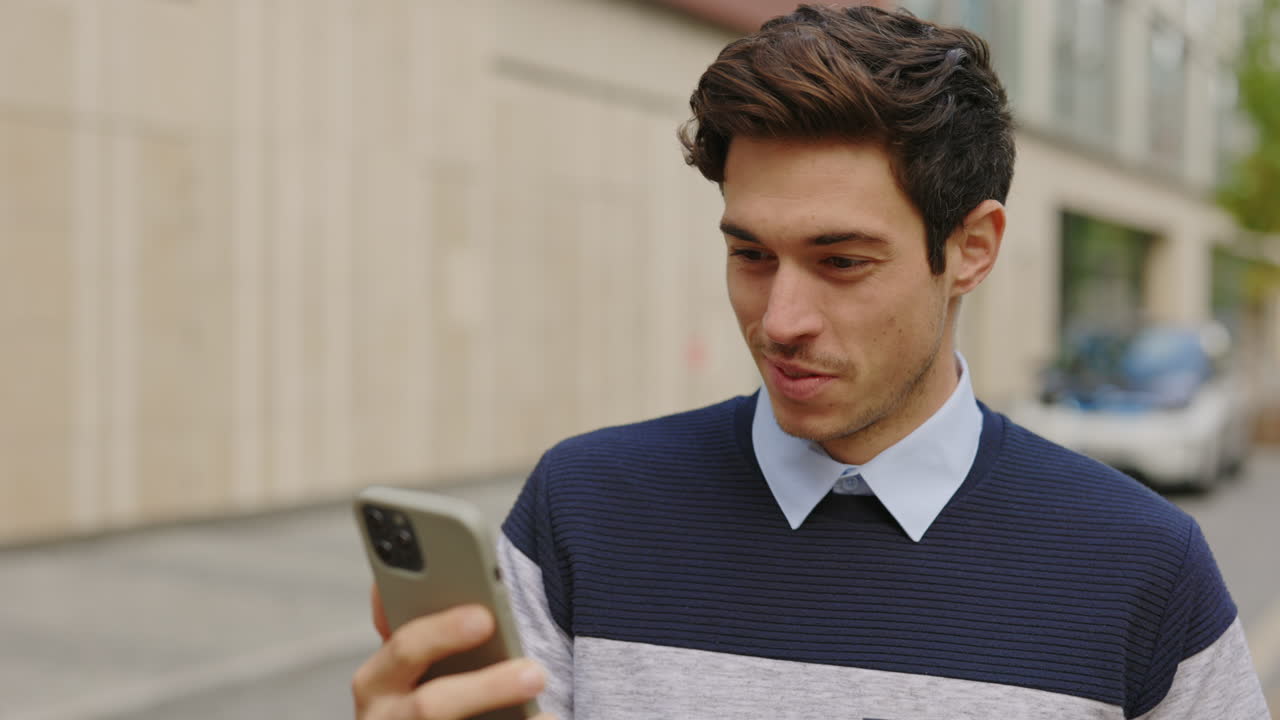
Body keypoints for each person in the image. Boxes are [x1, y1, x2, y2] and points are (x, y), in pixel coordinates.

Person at [352, 5, 1271, 719]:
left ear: (973, 248)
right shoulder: (581, 510)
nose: (779, 320)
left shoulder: (1145, 567)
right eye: (751, 254)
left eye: (841, 261)